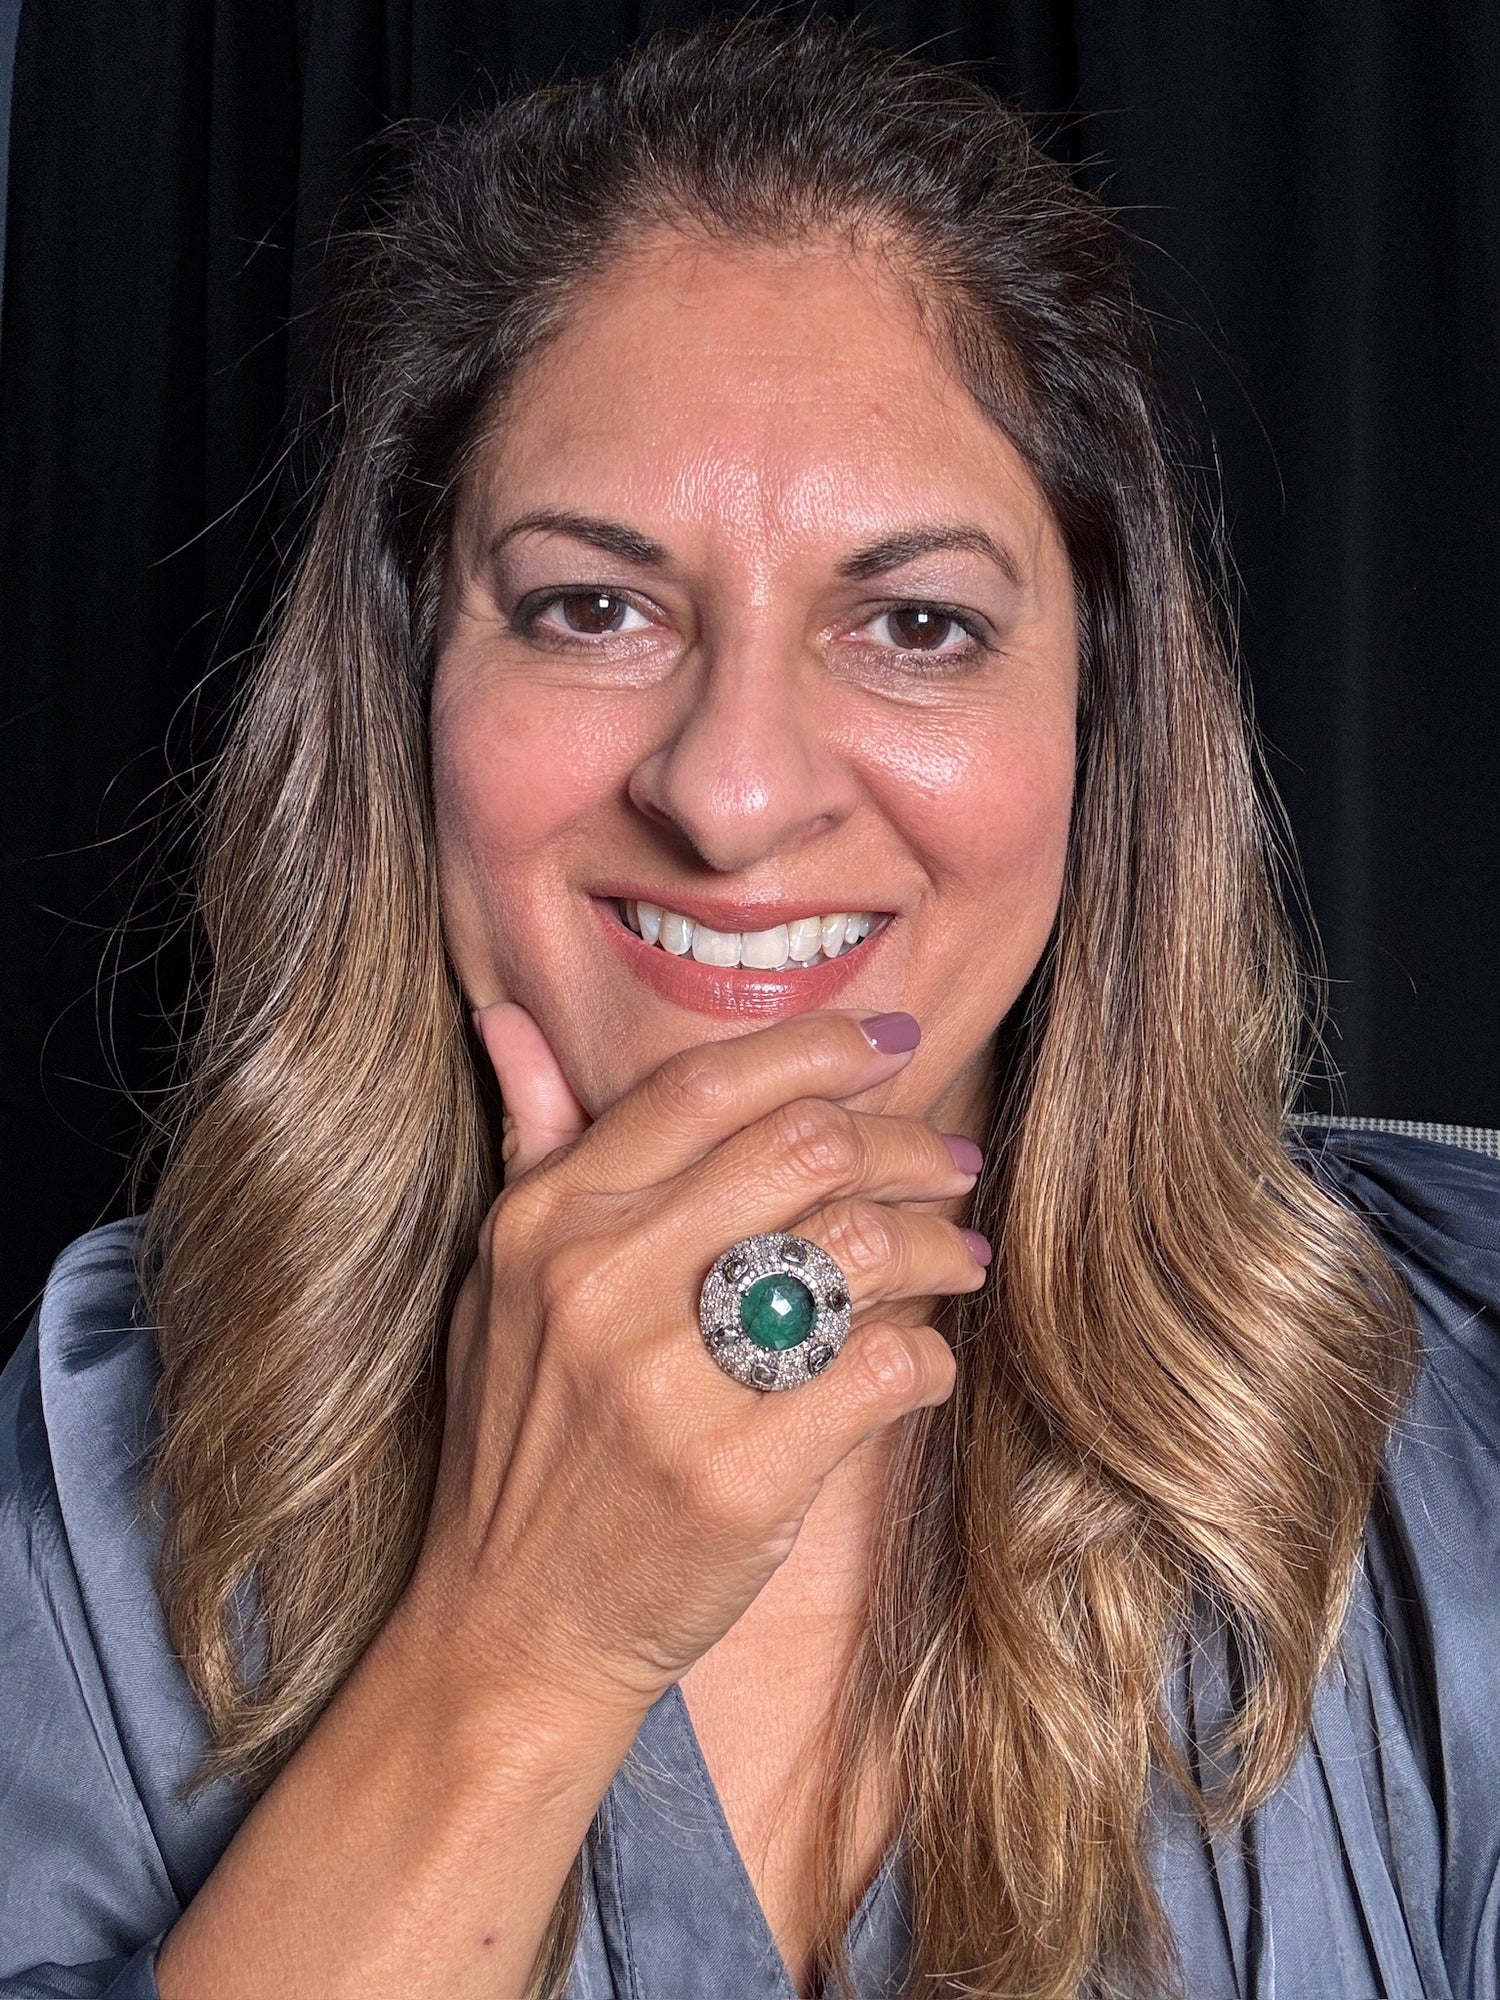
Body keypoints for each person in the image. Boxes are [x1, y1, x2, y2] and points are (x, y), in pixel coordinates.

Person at [2, 14, 1498, 2000]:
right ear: (406, 687)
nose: (730, 792)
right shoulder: (100, 1457)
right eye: (593, 607)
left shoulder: (1459, 1421)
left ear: (1103, 718)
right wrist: (522, 1652)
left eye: (916, 623)